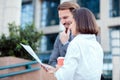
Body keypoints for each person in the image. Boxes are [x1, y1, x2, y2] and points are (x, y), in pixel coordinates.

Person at [47, 8, 104, 80]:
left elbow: (65, 76)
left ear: (79, 23)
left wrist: (58, 71)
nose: (70, 27)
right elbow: (84, 71)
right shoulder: (97, 46)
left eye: (72, 23)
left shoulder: (76, 43)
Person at [48, 1, 80, 67]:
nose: (62, 22)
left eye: (65, 17)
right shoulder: (60, 37)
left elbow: (81, 60)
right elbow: (52, 62)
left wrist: (65, 44)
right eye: (60, 18)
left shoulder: (87, 35)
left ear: (76, 16)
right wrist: (60, 68)